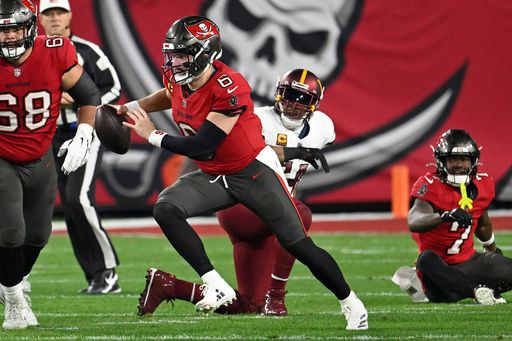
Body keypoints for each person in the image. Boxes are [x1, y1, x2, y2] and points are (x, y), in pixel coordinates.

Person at [116, 16, 367, 330]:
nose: (174, 61)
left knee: (297, 243)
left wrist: (152, 135)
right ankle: (214, 282)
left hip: (252, 171)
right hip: (215, 174)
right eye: (173, 54)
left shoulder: (229, 86)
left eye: (182, 54)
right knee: (166, 208)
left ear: (204, 53)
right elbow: (169, 95)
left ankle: (351, 303)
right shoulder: (180, 79)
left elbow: (205, 146)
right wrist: (130, 106)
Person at [130, 69, 334, 316]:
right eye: (290, 96)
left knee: (248, 305)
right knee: (301, 214)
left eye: (303, 100)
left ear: (315, 104)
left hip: (272, 210)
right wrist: (187, 188)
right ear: (278, 94)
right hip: (243, 203)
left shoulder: (323, 128)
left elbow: (289, 178)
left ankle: (167, 286)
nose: (294, 104)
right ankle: (276, 298)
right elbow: (218, 150)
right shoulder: (257, 119)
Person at [0, 0, 100, 329]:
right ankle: (15, 302)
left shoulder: (56, 50)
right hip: (2, 155)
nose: (10, 38)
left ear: (30, 29)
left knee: (39, 234)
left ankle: (10, 282)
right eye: (3, 31)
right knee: (11, 231)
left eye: (15, 29)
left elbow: (89, 95)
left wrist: (85, 133)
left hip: (41, 153)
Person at [39, 0, 122, 295]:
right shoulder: (32, 53)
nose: (55, 18)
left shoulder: (87, 51)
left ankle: (106, 271)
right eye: (48, 13)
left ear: (70, 15)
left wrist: (77, 101)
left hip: (82, 132)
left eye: (59, 12)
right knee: (68, 205)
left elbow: (112, 87)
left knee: (79, 199)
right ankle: (94, 274)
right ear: (39, 18)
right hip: (47, 135)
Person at [392, 129, 512, 304]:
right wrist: (444, 216)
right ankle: (476, 291)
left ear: (474, 161)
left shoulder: (483, 183)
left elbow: (483, 221)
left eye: (464, 159)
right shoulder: (429, 185)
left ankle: (475, 289)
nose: (459, 164)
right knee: (426, 260)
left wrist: (492, 250)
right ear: (442, 161)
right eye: (452, 159)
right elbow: (414, 220)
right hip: (440, 267)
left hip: (468, 261)